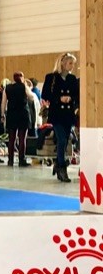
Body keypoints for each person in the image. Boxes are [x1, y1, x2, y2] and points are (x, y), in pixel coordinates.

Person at [42, 53, 79, 182]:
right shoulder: (51, 78)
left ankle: (58, 163)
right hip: (57, 113)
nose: (72, 66)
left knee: (65, 141)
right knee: (62, 139)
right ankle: (62, 167)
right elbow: (45, 94)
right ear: (63, 63)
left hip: (68, 115)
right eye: (70, 63)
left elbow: (77, 95)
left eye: (73, 64)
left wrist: (71, 99)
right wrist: (59, 99)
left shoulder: (72, 79)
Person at [1, 71, 31, 167]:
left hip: (12, 115)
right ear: (22, 77)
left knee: (11, 139)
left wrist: (2, 114)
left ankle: (10, 160)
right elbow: (32, 97)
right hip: (23, 114)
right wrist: (28, 88)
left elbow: (3, 103)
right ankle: (21, 160)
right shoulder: (24, 86)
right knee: (22, 139)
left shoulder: (8, 88)